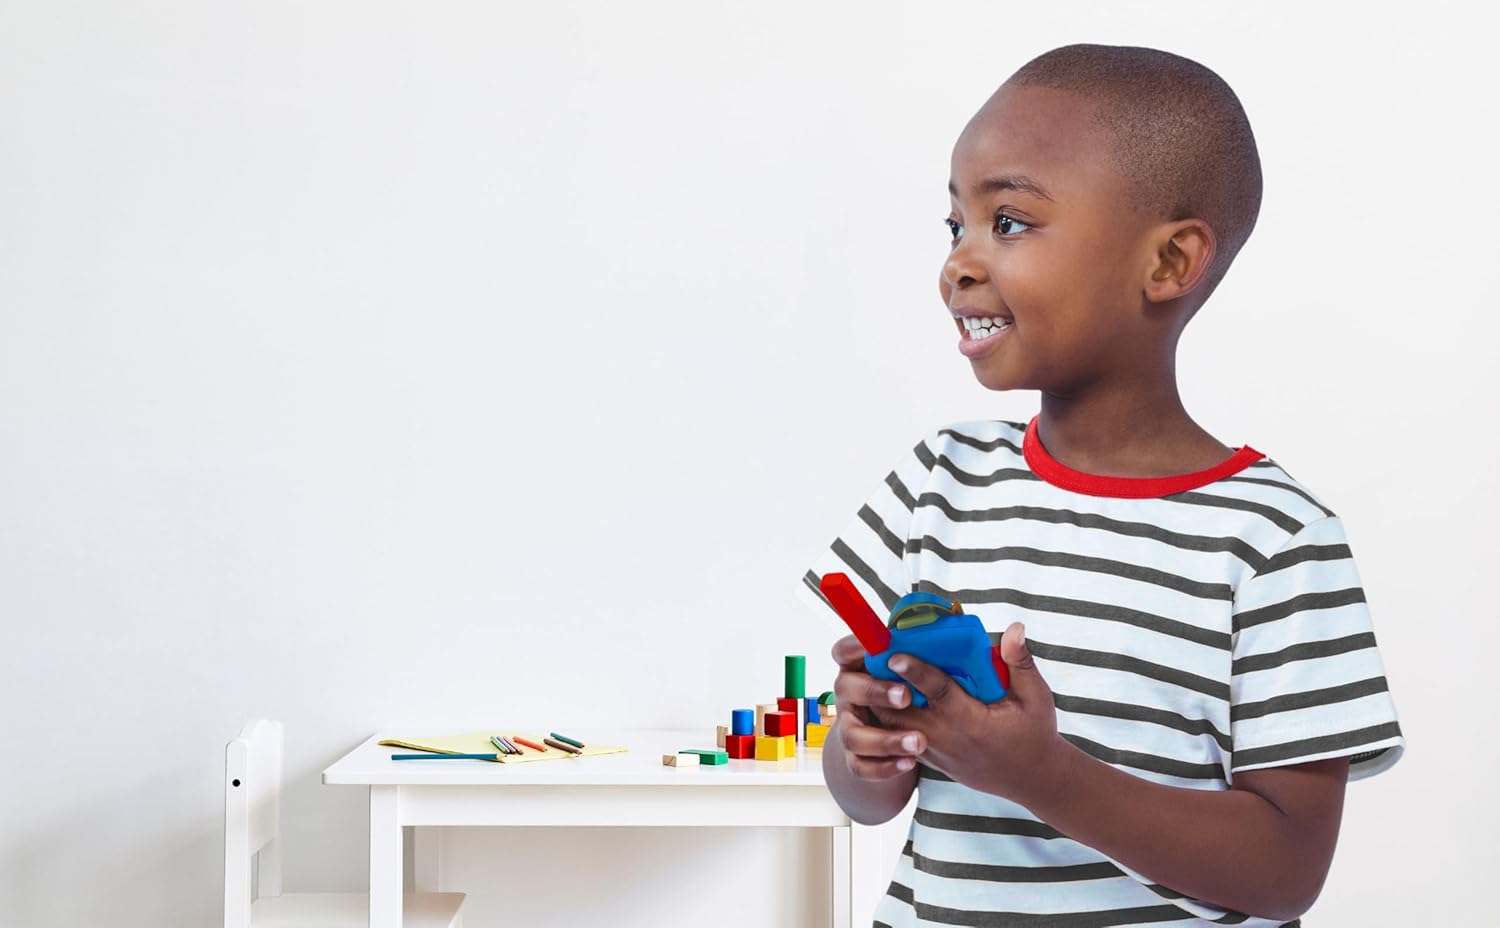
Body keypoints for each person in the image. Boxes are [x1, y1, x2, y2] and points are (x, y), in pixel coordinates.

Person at [793, 43, 1405, 927]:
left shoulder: (1275, 541)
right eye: (954, 225)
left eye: (1008, 222)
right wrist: (866, 748)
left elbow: (1284, 873)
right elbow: (863, 800)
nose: (959, 262)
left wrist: (1042, 774)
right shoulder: (939, 480)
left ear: (1167, 264)